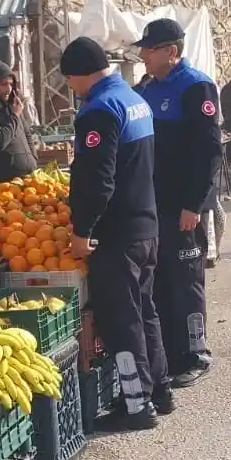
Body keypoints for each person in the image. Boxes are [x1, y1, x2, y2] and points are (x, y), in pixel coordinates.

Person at [60, 37, 170, 429]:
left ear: (78, 75)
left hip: (117, 234)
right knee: (145, 310)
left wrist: (82, 230)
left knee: (120, 319)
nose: (71, 89)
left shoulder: (98, 111)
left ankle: (136, 405)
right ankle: (159, 388)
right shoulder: (132, 98)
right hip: (145, 224)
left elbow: (97, 180)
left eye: (69, 81)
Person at [134, 18, 222, 389]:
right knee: (160, 280)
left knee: (186, 280)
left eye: (149, 49)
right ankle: (169, 353)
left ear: (170, 51)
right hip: (154, 204)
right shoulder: (147, 88)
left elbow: (208, 150)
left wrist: (195, 204)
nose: (142, 56)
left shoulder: (195, 86)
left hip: (182, 205)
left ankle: (194, 352)